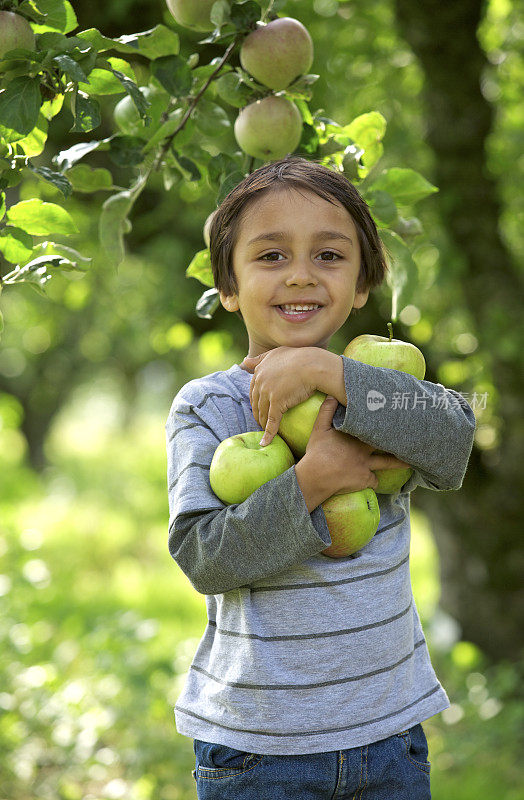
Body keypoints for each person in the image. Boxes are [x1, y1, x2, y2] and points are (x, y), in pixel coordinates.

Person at [164, 156, 476, 799]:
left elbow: (454, 439)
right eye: (271, 256)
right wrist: (313, 479)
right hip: (259, 748)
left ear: (363, 284)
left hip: (389, 734)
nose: (301, 275)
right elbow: (202, 556)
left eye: (330, 256)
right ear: (228, 285)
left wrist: (329, 374)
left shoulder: (378, 392)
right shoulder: (210, 407)